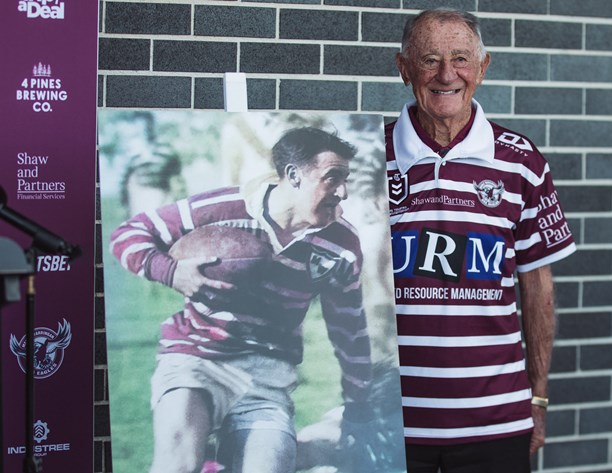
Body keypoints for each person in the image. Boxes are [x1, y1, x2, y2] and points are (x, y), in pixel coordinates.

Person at [110, 127, 374, 473]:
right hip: (196, 355)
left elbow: (349, 330)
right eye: (332, 178)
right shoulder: (223, 207)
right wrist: (171, 272)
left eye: (345, 179)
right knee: (176, 463)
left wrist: (358, 407)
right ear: (294, 176)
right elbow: (128, 233)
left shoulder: (341, 245)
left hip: (267, 375)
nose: (342, 191)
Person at [387, 8, 576, 472]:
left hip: (496, 423)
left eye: (461, 60)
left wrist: (539, 397)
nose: (446, 74)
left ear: (483, 68)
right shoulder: (369, 156)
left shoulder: (522, 162)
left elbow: (538, 289)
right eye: (429, 60)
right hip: (392, 424)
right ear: (404, 67)